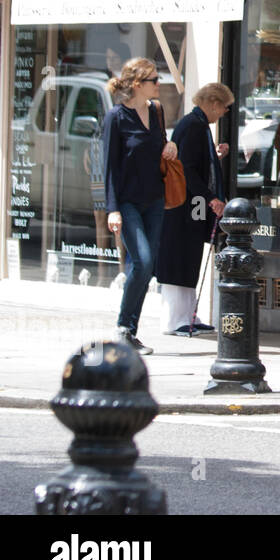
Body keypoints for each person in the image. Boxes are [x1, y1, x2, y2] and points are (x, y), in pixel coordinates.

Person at [103, 58, 178, 354]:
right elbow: (107, 166)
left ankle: (129, 333)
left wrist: (171, 146)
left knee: (144, 267)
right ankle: (123, 325)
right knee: (144, 261)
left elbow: (159, 148)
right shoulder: (116, 117)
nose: (159, 85)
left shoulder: (157, 112)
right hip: (127, 201)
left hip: (155, 199)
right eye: (154, 80)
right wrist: (112, 208)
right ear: (137, 85)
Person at [156, 82, 234, 335]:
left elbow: (194, 164)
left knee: (188, 255)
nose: (223, 113)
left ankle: (187, 315)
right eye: (224, 107)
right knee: (180, 257)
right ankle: (175, 319)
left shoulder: (196, 125)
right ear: (214, 103)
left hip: (190, 204)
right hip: (185, 204)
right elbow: (187, 168)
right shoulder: (193, 126)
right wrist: (210, 197)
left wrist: (215, 156)